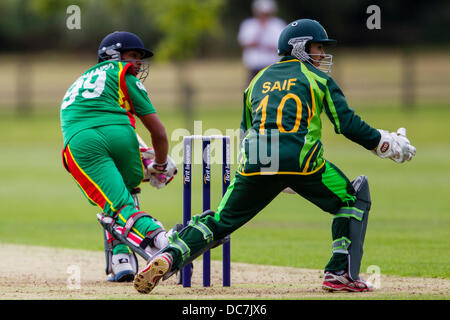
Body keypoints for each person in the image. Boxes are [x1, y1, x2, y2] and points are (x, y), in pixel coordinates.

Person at [133, 19, 416, 294]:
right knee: (352, 199)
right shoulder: (317, 78)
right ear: (301, 47)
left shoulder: (256, 80)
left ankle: (169, 256)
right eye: (317, 47)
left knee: (218, 221)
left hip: (255, 162)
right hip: (302, 163)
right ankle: (340, 274)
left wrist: (270, 171)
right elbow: (347, 124)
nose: (321, 54)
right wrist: (384, 143)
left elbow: (246, 132)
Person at [60, 31, 177, 282]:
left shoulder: (77, 82)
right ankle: (162, 240)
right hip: (120, 135)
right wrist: (159, 164)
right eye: (132, 56)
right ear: (113, 55)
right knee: (124, 198)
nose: (137, 62)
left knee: (116, 204)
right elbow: (159, 132)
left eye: (139, 57)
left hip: (81, 141)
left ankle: (126, 257)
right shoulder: (124, 75)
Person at [238, 0, 286, 84]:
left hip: (272, 64)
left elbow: (281, 46)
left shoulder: (278, 24)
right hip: (254, 65)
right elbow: (245, 43)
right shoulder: (249, 24)